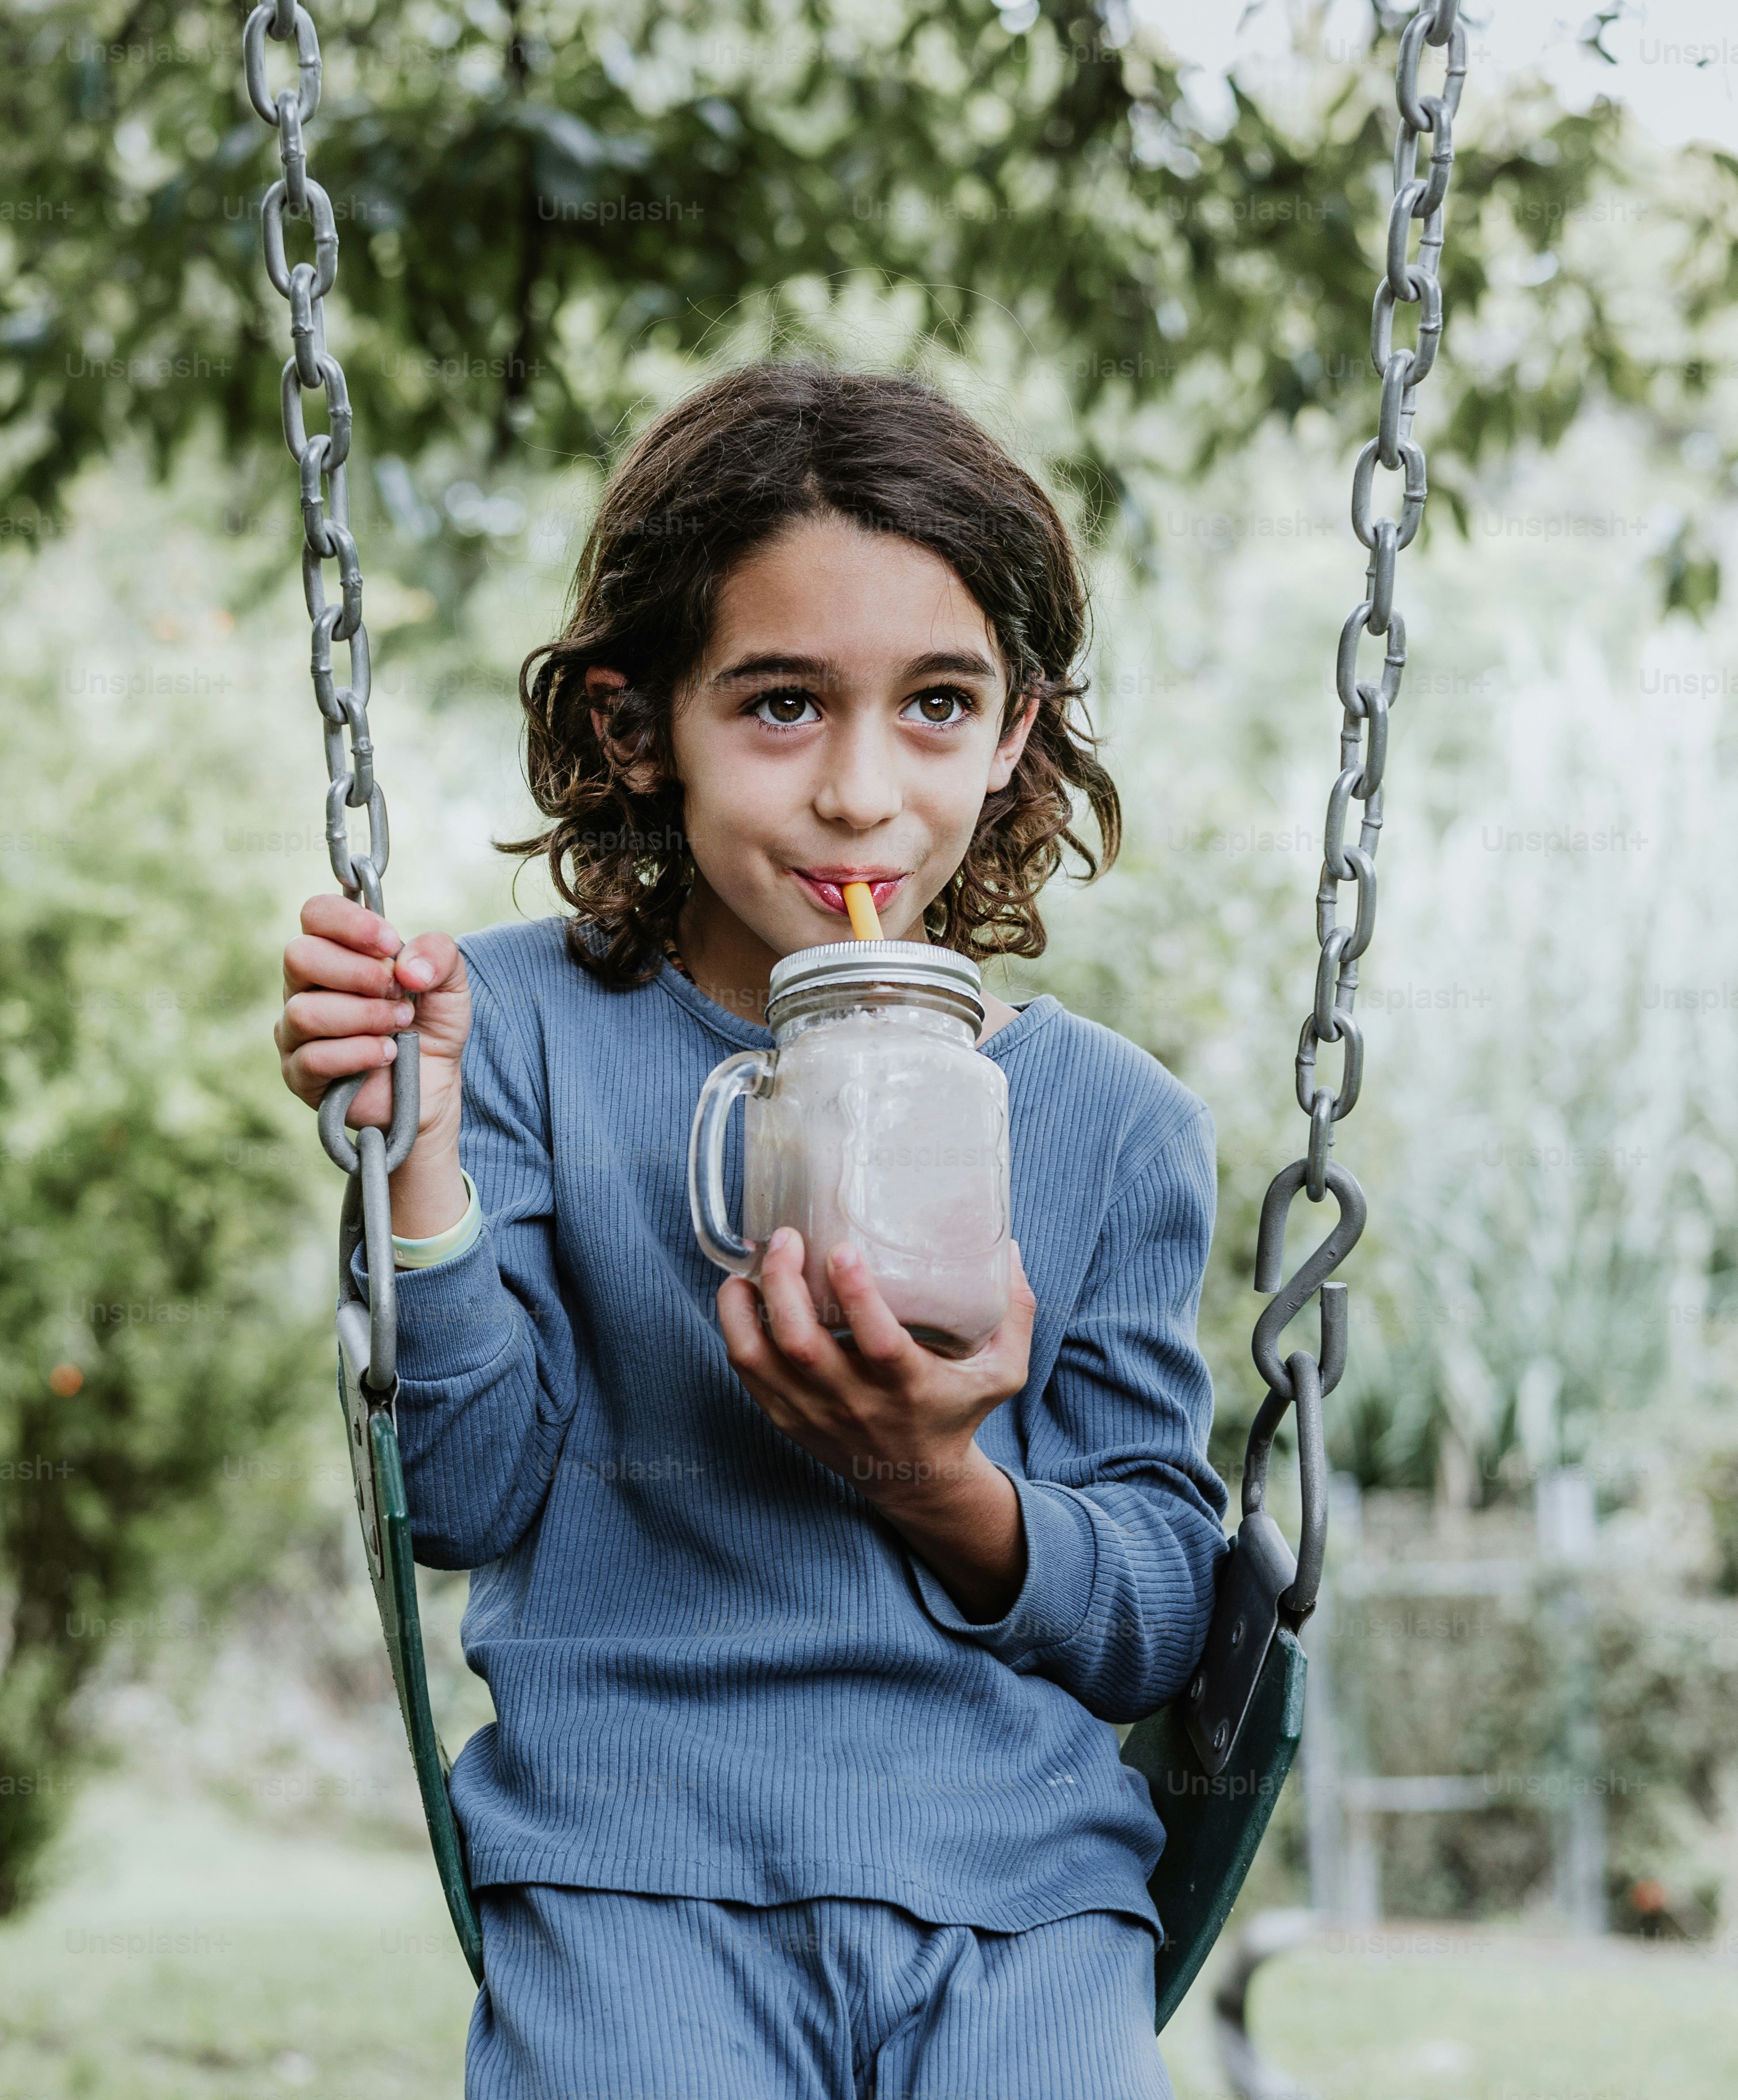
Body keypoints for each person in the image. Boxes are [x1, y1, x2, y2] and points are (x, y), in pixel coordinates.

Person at [273, 360, 1224, 2099]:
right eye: (783, 705)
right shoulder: (511, 1031)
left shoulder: (1113, 1126)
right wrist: (413, 1159)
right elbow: (468, 1493)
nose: (863, 793)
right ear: (638, 728)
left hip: (1025, 1901)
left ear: (1017, 730)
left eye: (938, 705)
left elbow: (1157, 1615)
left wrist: (942, 1485)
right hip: (633, 1873)